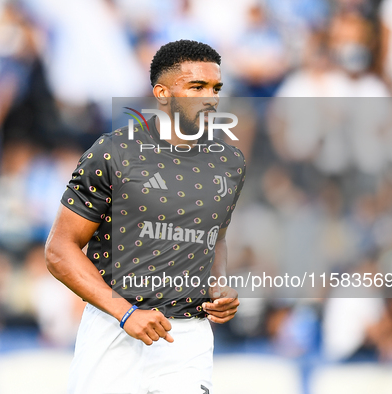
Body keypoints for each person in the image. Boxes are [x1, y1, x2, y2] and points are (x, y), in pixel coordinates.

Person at [45, 39, 246, 394]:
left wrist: (219, 284)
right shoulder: (114, 153)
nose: (210, 97)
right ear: (163, 93)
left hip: (188, 337)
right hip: (114, 329)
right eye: (196, 86)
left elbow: (215, 238)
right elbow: (59, 250)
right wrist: (125, 313)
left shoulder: (228, 163)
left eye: (216, 88)